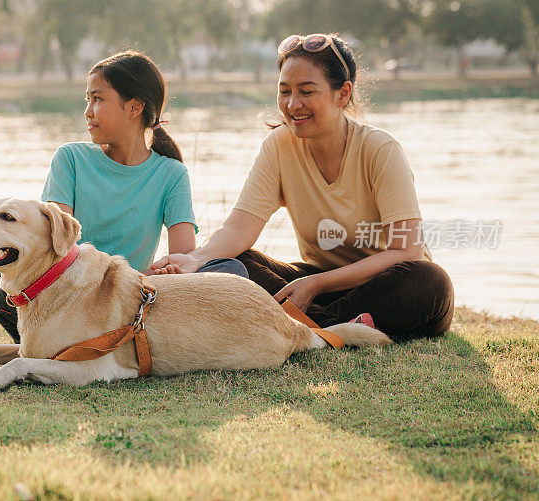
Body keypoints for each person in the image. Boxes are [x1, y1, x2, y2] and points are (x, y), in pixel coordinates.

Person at [150, 34, 453, 339]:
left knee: (430, 281)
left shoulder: (380, 149)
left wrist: (317, 285)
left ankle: (307, 326)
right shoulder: (279, 146)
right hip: (319, 285)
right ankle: (334, 329)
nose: (293, 104)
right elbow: (238, 229)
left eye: (307, 91)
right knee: (236, 261)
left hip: (385, 284)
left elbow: (408, 249)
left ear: (343, 93)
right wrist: (196, 259)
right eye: (285, 91)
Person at [0, 50, 247, 343]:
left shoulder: (171, 174)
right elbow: (55, 244)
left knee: (230, 271)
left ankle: (98, 343)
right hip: (72, 292)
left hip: (131, 297)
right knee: (0, 289)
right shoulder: (71, 158)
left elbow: (185, 257)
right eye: (88, 99)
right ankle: (73, 344)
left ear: (134, 107)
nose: (87, 111)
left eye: (97, 99)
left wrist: (163, 271)